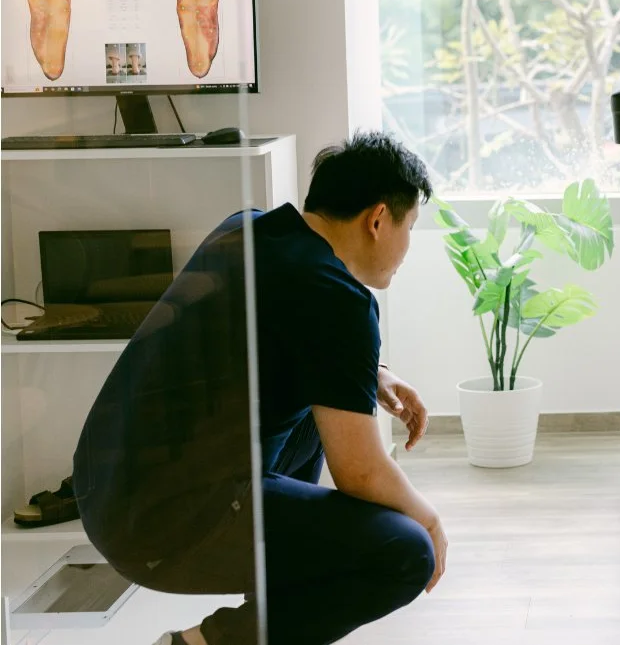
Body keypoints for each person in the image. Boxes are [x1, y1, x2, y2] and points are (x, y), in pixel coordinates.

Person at [72, 131, 449, 645]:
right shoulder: (339, 299)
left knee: (321, 407)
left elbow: (279, 334)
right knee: (405, 552)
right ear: (378, 219)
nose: (407, 246)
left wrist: (372, 372)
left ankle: (265, 626)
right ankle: (201, 644)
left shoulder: (248, 227)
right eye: (410, 227)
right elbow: (360, 471)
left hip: (108, 493)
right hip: (167, 525)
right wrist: (430, 520)